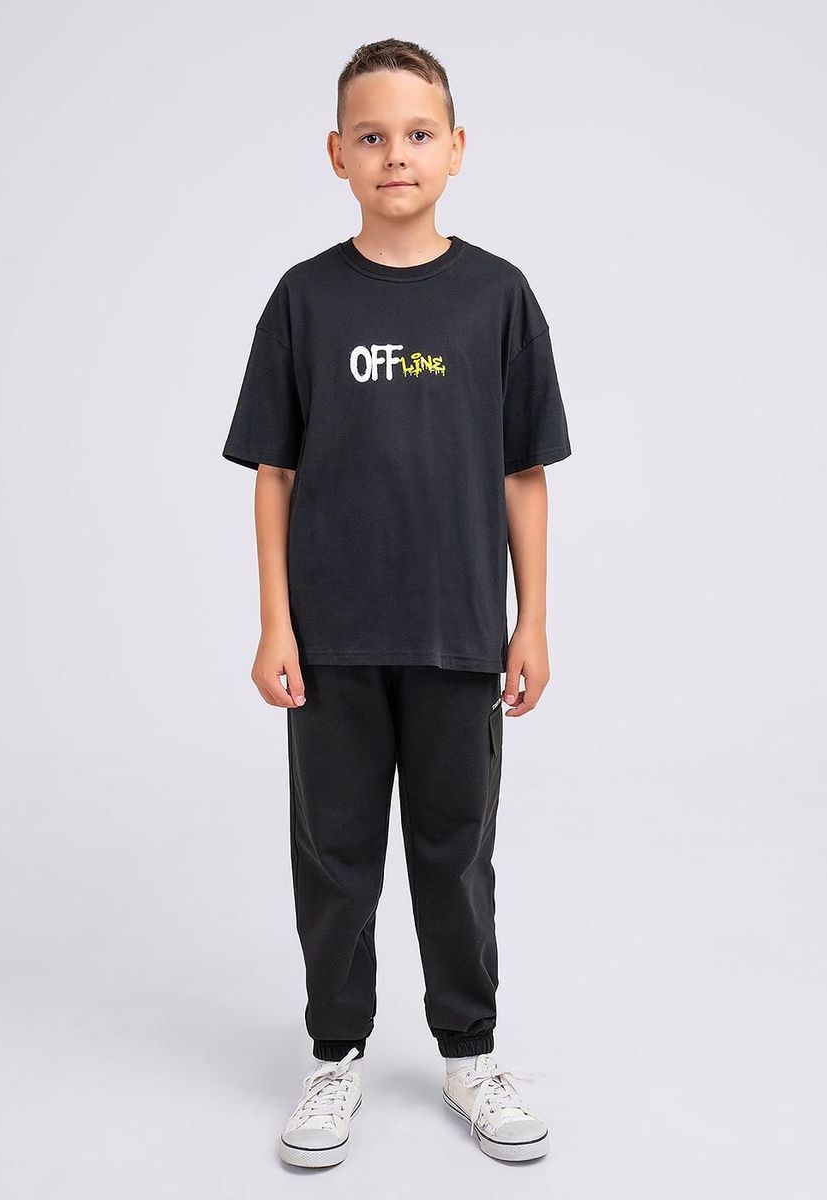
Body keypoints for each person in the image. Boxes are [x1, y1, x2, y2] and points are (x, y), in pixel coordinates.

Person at [222, 38, 572, 1169]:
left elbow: (523, 471)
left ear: (456, 148)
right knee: (333, 854)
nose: (395, 154)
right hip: (330, 642)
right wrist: (275, 622)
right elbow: (274, 473)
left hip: (459, 635)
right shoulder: (304, 300)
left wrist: (530, 620)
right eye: (370, 136)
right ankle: (335, 1055)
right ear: (336, 154)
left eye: (418, 133)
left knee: (454, 852)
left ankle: (468, 1052)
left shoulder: (497, 297)